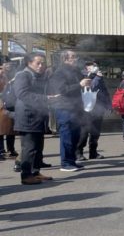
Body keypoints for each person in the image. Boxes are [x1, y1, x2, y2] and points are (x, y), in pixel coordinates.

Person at [11, 52, 53, 185]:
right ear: (29, 63)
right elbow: (22, 94)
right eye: (38, 63)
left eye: (43, 63)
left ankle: (35, 172)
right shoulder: (23, 75)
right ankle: (26, 175)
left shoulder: (40, 76)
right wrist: (45, 98)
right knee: (29, 148)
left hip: (38, 116)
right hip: (27, 116)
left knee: (38, 146)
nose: (41, 66)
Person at [47, 49, 88, 171]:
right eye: (73, 57)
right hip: (65, 107)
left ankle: (72, 161)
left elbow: (81, 83)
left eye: (76, 56)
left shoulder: (75, 71)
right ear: (65, 59)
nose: (76, 59)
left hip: (76, 107)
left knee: (75, 135)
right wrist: (80, 84)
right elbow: (61, 90)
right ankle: (65, 163)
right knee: (67, 135)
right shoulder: (59, 72)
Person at [76, 60, 111, 160]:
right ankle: (79, 152)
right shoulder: (83, 75)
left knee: (95, 132)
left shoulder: (98, 76)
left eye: (96, 65)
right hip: (86, 109)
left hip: (98, 108)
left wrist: (108, 104)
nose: (96, 67)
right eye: (93, 66)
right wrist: (97, 76)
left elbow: (104, 91)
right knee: (84, 132)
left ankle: (93, 152)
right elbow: (91, 86)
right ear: (87, 67)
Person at [0, 61, 17, 160]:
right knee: (1, 130)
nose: (7, 67)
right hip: (1, 104)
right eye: (5, 65)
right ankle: (1, 151)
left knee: (10, 129)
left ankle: (11, 149)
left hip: (8, 104)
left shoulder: (6, 76)